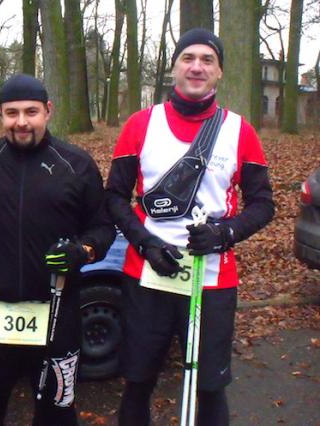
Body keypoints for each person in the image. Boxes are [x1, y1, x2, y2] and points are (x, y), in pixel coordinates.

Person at [106, 28, 275, 426]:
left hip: (211, 279)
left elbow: (264, 204)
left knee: (211, 387)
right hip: (148, 274)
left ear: (219, 72)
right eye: (188, 58)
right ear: (174, 67)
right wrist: (145, 243)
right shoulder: (140, 124)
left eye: (207, 60)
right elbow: (113, 197)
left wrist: (225, 233)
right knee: (138, 380)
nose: (197, 67)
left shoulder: (239, 130)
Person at [0, 74, 115, 425]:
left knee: (57, 413)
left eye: (31, 112)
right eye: (12, 113)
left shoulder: (76, 164)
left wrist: (84, 250)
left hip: (57, 312)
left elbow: (103, 227)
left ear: (48, 110)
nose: (22, 122)